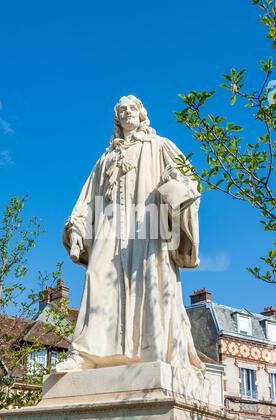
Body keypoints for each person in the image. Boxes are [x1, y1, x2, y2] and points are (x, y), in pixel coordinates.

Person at [55, 95, 204, 384]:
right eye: (121, 110)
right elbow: (87, 200)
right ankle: (86, 354)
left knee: (150, 280)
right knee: (97, 278)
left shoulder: (159, 145)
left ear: (141, 113)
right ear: (116, 118)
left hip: (148, 223)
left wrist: (175, 189)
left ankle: (155, 351)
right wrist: (77, 226)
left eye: (131, 108)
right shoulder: (106, 158)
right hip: (110, 227)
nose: (126, 113)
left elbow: (189, 180)